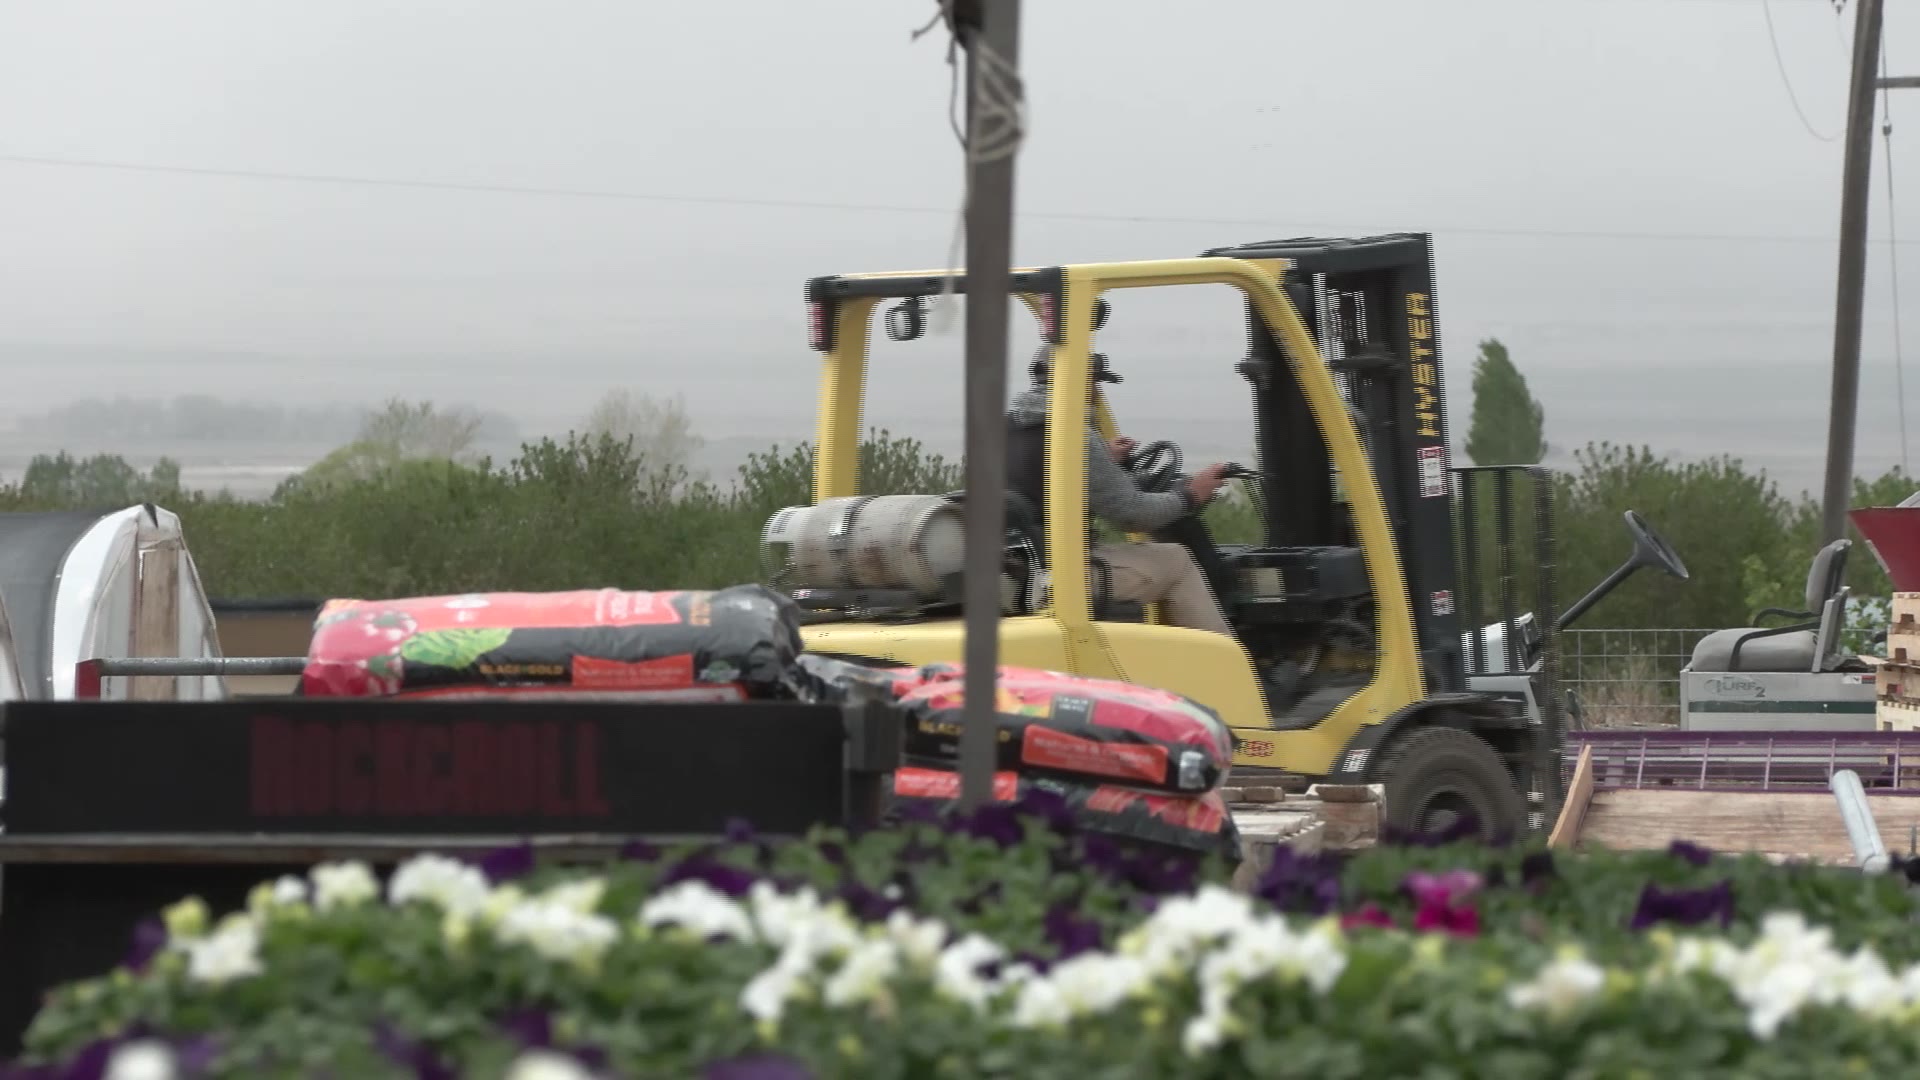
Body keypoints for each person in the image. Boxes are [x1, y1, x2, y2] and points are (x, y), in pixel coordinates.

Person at [1004, 348, 1238, 639]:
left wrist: (1103, 459)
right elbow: (1132, 515)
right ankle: (1228, 669)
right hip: (1063, 576)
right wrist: (1191, 493)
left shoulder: (1006, 428)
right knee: (1177, 560)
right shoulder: (1074, 433)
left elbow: (1041, 475)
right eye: (1095, 383)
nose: (1097, 393)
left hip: (1017, 568)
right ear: (1081, 381)